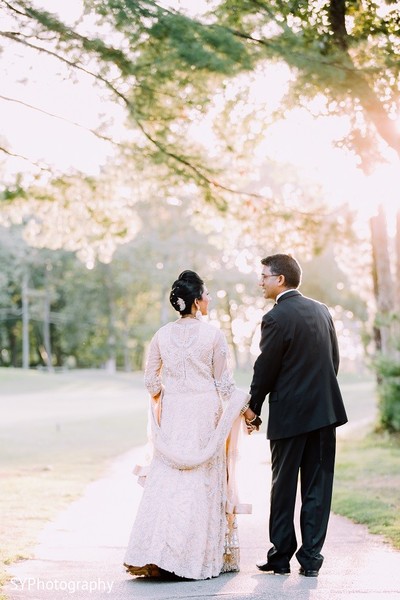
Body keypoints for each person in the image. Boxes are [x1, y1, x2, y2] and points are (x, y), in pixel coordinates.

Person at [124, 270, 252, 580]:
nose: (209, 300)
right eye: (206, 295)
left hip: (175, 413)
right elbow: (224, 385)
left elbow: (150, 380)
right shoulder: (213, 336)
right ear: (196, 302)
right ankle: (190, 557)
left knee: (167, 480)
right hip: (203, 414)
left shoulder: (161, 335)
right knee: (199, 482)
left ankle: (155, 555)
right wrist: (247, 410)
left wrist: (165, 397)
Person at [243, 253, 348, 577]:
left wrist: (253, 406)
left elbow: (266, 367)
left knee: (284, 486)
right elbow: (334, 360)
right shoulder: (322, 311)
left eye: (264, 276)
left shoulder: (275, 317)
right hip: (324, 413)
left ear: (280, 280)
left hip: (289, 416)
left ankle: (280, 557)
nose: (260, 281)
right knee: (318, 487)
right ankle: (312, 560)